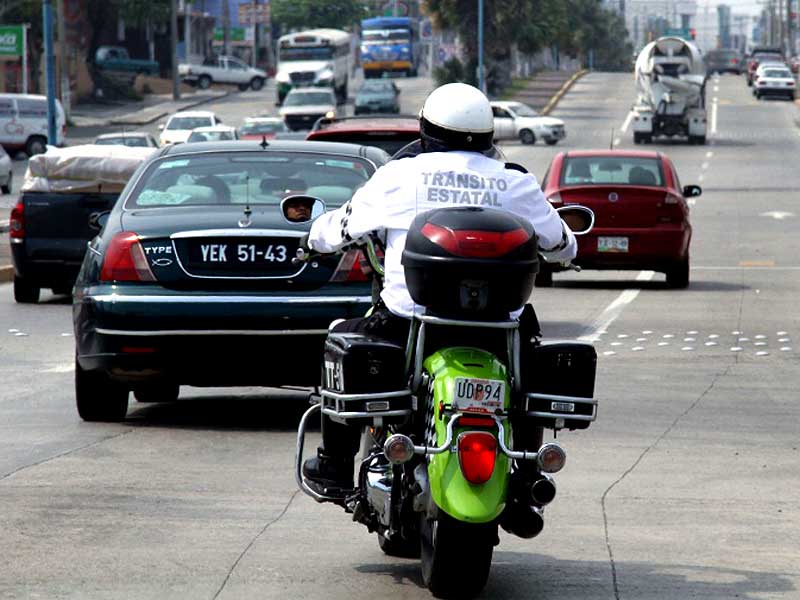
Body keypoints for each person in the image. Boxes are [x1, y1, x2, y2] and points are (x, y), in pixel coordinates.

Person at [302, 82, 578, 494]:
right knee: (530, 369)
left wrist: (312, 239)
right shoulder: (515, 183)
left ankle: (335, 465)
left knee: (342, 338)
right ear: (489, 135)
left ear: (426, 130)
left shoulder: (398, 176)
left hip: (410, 323)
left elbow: (334, 231)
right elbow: (562, 245)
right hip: (500, 329)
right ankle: (526, 475)